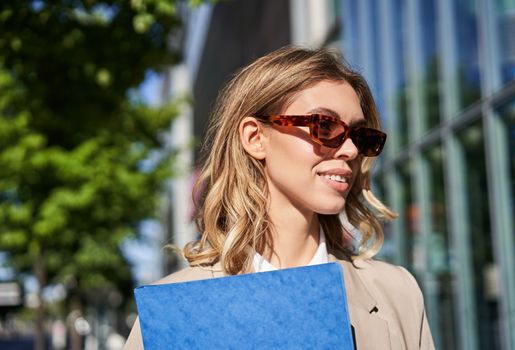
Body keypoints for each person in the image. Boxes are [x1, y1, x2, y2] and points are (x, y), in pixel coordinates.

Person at [124, 46, 435, 349]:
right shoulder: (172, 313)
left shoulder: (397, 294)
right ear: (255, 138)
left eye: (359, 135)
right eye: (324, 126)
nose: (351, 150)